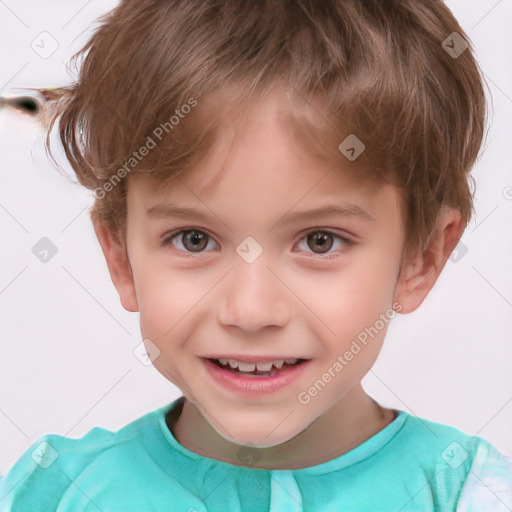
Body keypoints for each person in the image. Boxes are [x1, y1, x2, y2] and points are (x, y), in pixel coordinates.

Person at [1, 0, 511, 510]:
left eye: (320, 241)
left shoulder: (468, 493)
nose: (251, 311)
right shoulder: (55, 492)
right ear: (121, 257)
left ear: (420, 259)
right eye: (194, 239)